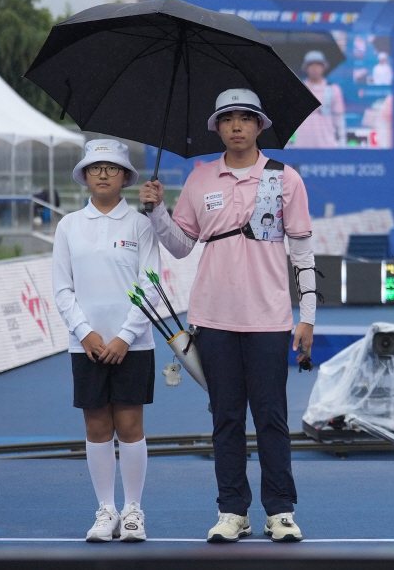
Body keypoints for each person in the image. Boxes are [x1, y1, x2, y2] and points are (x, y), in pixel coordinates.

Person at [140, 88, 319, 544]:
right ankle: (231, 510)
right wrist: (157, 210)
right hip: (213, 318)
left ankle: (280, 510)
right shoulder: (200, 179)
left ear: (261, 125)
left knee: (272, 418)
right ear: (216, 127)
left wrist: (308, 316)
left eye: (246, 118)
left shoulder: (284, 178)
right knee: (225, 418)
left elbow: (301, 249)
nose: (236, 126)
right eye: (227, 119)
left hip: (270, 319)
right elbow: (180, 245)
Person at [52, 139, 160, 543]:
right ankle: (106, 511)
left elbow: (151, 287)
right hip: (87, 345)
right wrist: (87, 333)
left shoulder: (141, 224)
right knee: (97, 426)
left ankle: (133, 510)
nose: (102, 174)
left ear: (126, 177)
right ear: (84, 175)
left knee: (130, 426)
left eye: (111, 168)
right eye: (95, 167)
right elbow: (63, 289)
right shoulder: (68, 226)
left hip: (133, 344)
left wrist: (124, 337)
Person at [291, 50, 346, 148]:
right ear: (306, 68)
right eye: (311, 65)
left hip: (327, 145)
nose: (315, 68)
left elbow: (339, 119)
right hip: (302, 146)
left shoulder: (333, 89)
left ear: (323, 67)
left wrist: (342, 142)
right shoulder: (298, 89)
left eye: (318, 65)